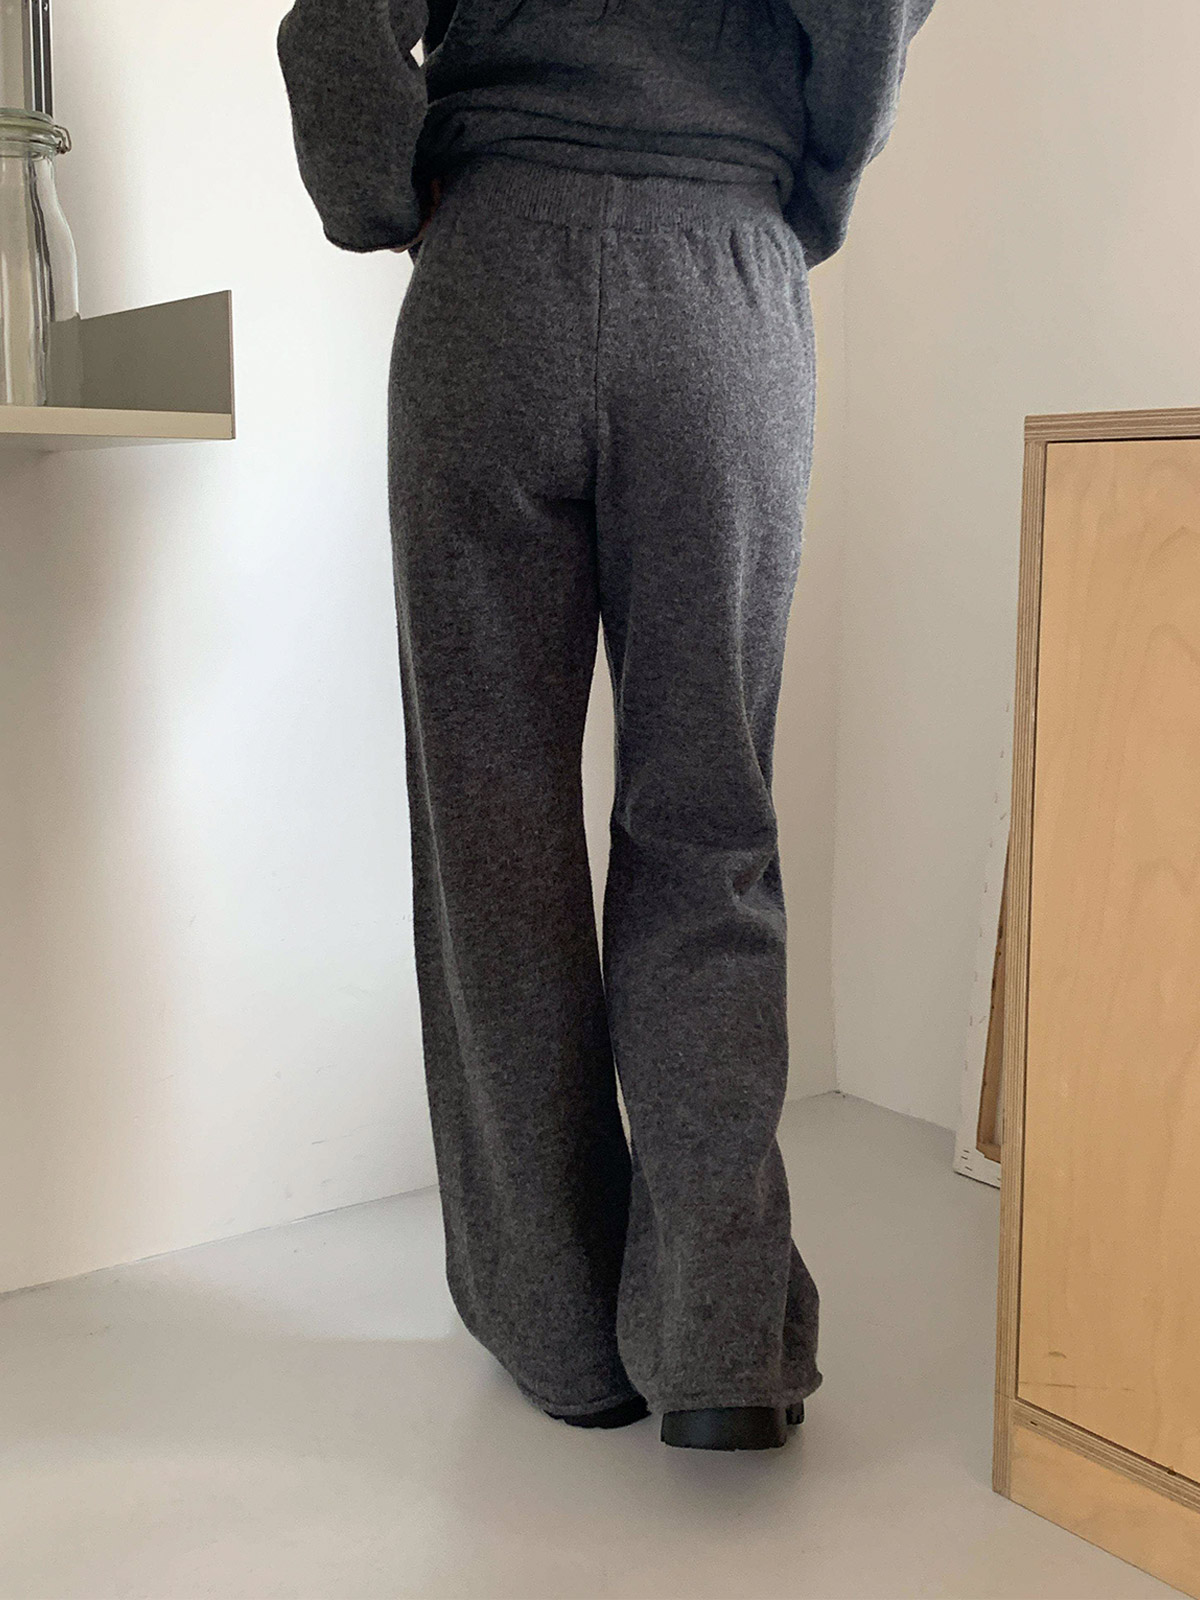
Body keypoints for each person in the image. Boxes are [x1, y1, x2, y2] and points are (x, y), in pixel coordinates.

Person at [277, 0, 934, 1453]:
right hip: (724, 281)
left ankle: (560, 1330)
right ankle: (719, 1346)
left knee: (492, 835)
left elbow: (334, 28)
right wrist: (794, 189)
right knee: (710, 824)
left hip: (494, 275)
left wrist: (400, 196)